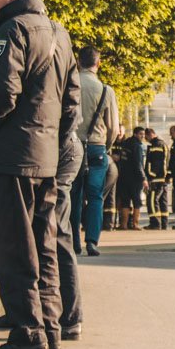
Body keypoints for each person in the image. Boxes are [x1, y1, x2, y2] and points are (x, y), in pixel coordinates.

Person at [0, 0, 75, 349]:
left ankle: (27, 334)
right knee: (44, 245)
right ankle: (50, 330)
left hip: (15, 156)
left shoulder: (12, 30)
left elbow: (2, 95)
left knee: (15, 248)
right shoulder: (60, 33)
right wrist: (53, 140)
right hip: (47, 156)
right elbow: (71, 105)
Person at [70, 47, 118, 256]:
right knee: (96, 195)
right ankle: (91, 241)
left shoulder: (69, 85)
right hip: (97, 147)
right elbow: (114, 127)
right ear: (98, 64)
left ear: (78, 62)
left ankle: (73, 241)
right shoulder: (106, 90)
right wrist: (106, 146)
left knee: (73, 194)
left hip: (72, 145)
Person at [117, 126, 147, 230]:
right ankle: (135, 224)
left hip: (123, 177)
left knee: (125, 201)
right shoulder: (137, 146)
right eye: (140, 134)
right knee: (136, 201)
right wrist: (143, 178)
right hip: (135, 179)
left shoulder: (125, 143)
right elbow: (138, 164)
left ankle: (124, 225)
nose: (142, 136)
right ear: (135, 134)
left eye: (143, 134)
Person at [143, 127, 170, 230]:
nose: (146, 139)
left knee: (152, 200)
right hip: (162, 179)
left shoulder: (156, 146)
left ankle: (155, 223)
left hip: (156, 179)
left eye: (146, 137)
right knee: (162, 201)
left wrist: (151, 175)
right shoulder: (163, 144)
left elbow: (157, 163)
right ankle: (164, 223)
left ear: (150, 135)